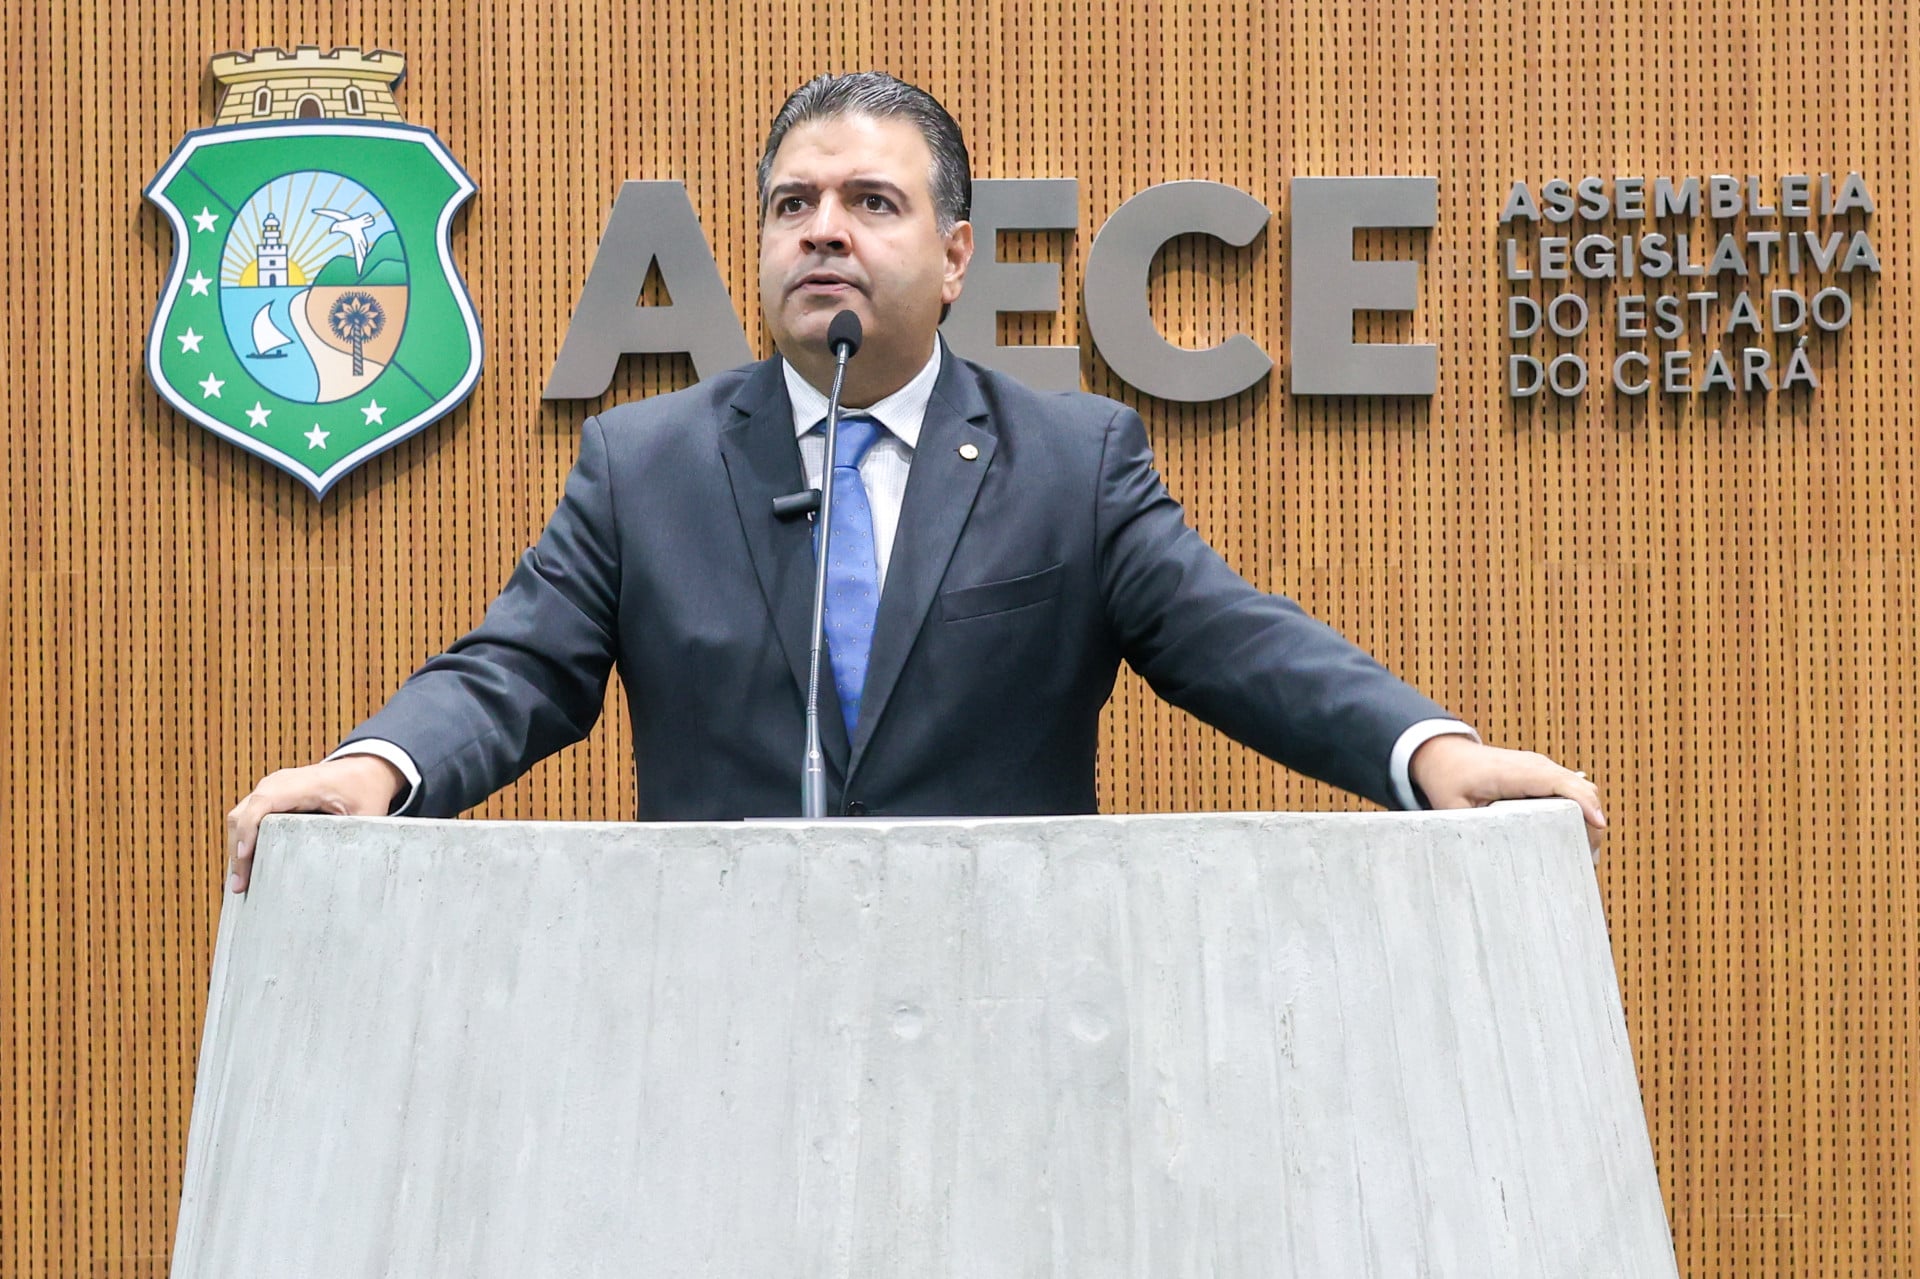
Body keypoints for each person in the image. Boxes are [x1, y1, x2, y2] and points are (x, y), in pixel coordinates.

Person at [226, 73, 1603, 891]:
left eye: (870, 204)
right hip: (714, 1020)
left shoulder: (1072, 462)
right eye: (793, 205)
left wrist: (1433, 755)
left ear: (954, 257)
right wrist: (372, 771)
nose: (822, 231)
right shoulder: (645, 466)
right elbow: (514, 670)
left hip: (1006, 1018)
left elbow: (1237, 642)